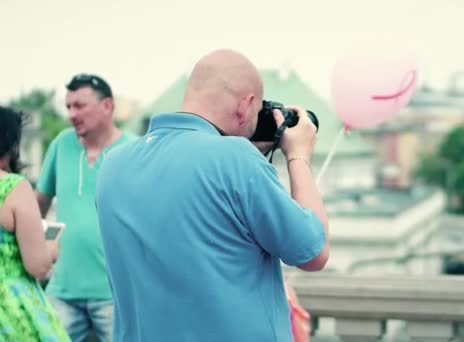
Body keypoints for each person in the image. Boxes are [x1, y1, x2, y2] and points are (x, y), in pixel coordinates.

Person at [95, 49, 330, 341]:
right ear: (245, 106)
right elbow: (312, 252)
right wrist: (299, 156)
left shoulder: (112, 165)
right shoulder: (236, 159)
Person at [36, 73, 136, 342]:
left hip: (114, 293)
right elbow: (37, 210)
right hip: (61, 291)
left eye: (79, 106)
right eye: (68, 106)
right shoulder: (61, 145)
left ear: (107, 106)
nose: (71, 114)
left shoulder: (132, 150)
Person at [0, 106, 70, 341]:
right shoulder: (13, 187)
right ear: (12, 145)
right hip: (11, 309)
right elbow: (37, 266)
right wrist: (50, 247)